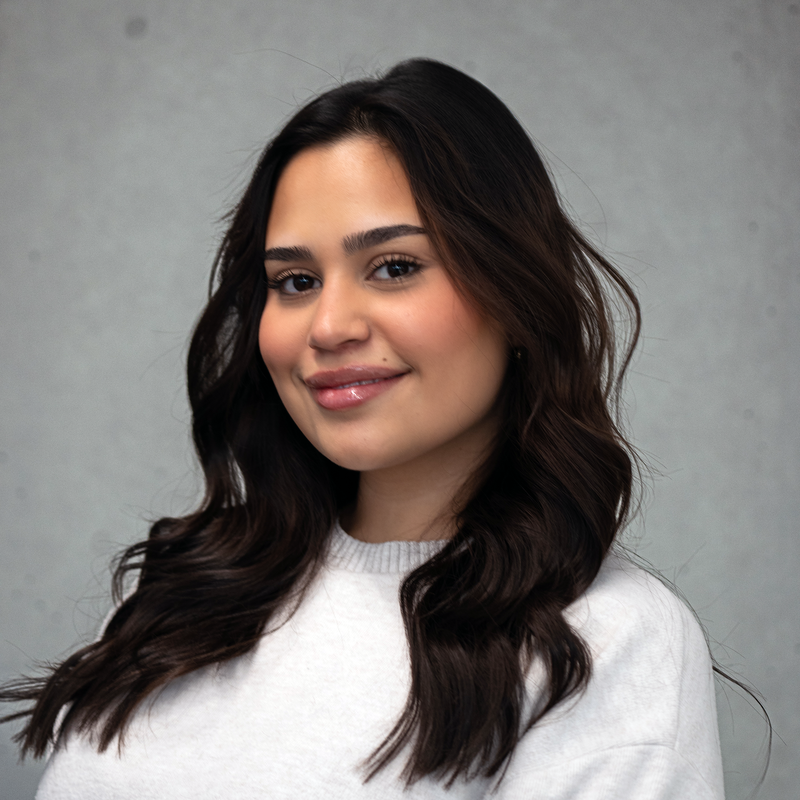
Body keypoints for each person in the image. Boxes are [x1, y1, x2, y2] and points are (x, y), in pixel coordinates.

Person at [1, 58, 724, 798]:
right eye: (295, 281)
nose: (329, 327)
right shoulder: (179, 594)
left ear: (514, 294)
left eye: (394, 267)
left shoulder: (608, 643)